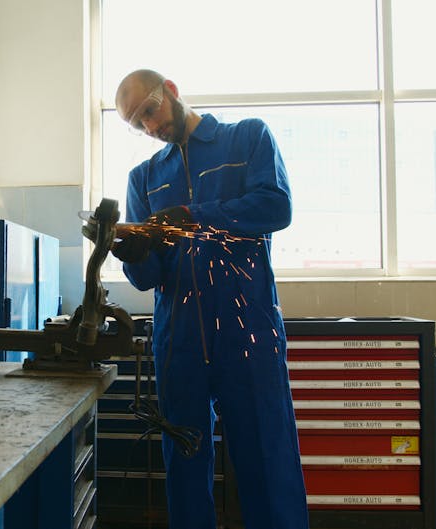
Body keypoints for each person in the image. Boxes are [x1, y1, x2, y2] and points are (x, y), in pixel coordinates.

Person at [111, 69, 309, 529]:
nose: (151, 128)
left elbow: (275, 207)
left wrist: (192, 217)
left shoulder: (247, 140)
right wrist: (131, 253)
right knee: (185, 466)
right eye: (137, 125)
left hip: (248, 335)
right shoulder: (143, 178)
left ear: (173, 92)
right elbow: (146, 280)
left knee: (267, 457)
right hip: (178, 342)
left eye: (151, 111)